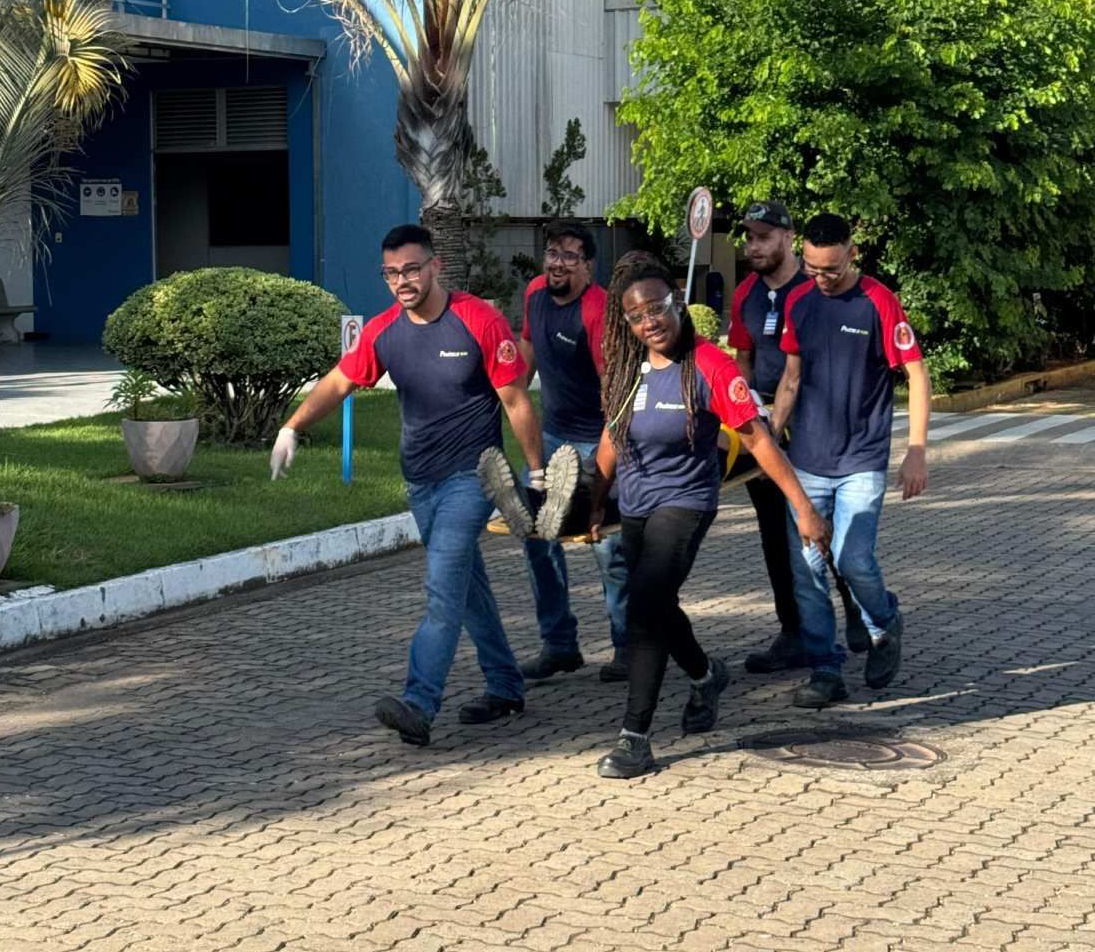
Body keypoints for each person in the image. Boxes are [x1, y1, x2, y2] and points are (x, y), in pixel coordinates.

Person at [269, 224, 570, 748]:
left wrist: (537, 473)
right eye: (391, 273)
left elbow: (517, 400)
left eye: (411, 269)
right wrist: (291, 426)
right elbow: (340, 380)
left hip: (474, 476)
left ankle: (419, 702)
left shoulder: (478, 318)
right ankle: (504, 684)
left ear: (435, 267)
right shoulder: (386, 330)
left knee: (442, 589)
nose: (402, 280)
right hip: (420, 482)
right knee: (467, 587)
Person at [586, 252, 830, 779]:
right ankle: (704, 675)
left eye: (657, 307)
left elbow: (757, 440)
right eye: (635, 315)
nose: (649, 321)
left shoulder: (709, 366)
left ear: (678, 304)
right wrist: (594, 499)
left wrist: (803, 507)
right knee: (655, 601)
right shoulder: (628, 370)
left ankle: (636, 737)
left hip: (687, 501)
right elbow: (611, 438)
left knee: (646, 608)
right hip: (635, 502)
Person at [770, 211, 931, 709]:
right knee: (809, 570)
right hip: (807, 462)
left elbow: (918, 375)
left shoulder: (878, 302)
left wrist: (917, 452)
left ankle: (884, 624)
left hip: (861, 460)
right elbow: (791, 378)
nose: (822, 279)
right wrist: (770, 438)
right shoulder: (799, 300)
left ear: (852, 253)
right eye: (814, 268)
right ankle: (825, 670)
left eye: (832, 270)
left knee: (851, 559)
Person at [484, 220, 630, 684]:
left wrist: (605, 468)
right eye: (552, 252)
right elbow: (527, 346)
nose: (558, 262)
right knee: (538, 540)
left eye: (570, 256)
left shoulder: (598, 310)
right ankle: (560, 644)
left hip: (598, 439)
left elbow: (614, 391)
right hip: (552, 438)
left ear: (588, 266)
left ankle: (627, 647)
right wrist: (515, 400)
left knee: (607, 546)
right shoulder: (534, 294)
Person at [725, 201, 810, 674]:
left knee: (818, 527)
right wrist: (750, 421)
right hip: (764, 433)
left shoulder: (812, 288)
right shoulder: (746, 295)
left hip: (813, 430)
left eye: (762, 237)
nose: (752, 245)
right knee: (774, 534)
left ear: (787, 238)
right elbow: (743, 361)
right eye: (748, 237)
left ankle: (860, 616)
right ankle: (792, 631)